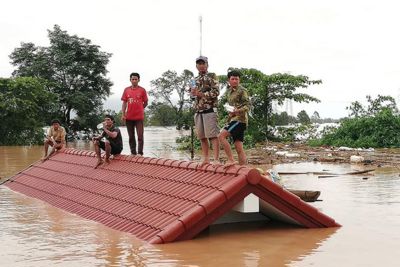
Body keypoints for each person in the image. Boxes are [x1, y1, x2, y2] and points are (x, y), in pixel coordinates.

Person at [190, 56, 220, 165]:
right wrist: (193, 93)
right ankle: (206, 158)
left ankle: (216, 159)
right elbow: (192, 96)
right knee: (201, 136)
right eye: (199, 64)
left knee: (213, 135)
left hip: (210, 109)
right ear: (196, 66)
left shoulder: (212, 76)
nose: (201, 65)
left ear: (207, 65)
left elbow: (216, 92)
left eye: (203, 63)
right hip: (198, 110)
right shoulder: (194, 80)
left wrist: (201, 94)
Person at [218, 70, 250, 166]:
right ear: (229, 80)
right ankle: (243, 169)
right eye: (233, 79)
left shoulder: (242, 90)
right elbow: (233, 107)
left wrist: (237, 111)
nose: (235, 81)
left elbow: (248, 106)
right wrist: (231, 113)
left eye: (237, 79)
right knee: (238, 147)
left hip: (240, 120)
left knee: (221, 136)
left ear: (239, 80)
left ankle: (231, 160)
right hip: (234, 119)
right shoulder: (229, 92)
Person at [121, 72, 148, 156]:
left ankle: (140, 153)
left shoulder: (142, 90)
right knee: (131, 136)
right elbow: (124, 103)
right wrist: (123, 114)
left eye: (136, 79)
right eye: (132, 79)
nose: (134, 80)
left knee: (140, 136)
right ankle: (133, 153)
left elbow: (146, 102)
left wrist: (140, 108)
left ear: (138, 80)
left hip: (139, 117)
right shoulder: (126, 90)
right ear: (130, 80)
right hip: (129, 117)